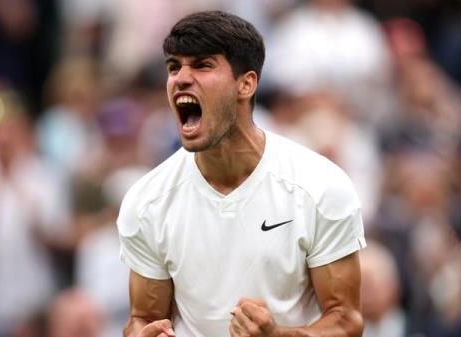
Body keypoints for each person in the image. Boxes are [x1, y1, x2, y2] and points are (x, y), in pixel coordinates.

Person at [116, 11, 366, 337]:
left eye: (203, 65)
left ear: (246, 84)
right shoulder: (146, 201)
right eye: (174, 67)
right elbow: (143, 319)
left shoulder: (321, 187)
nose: (180, 78)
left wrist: (277, 336)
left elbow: (347, 321)